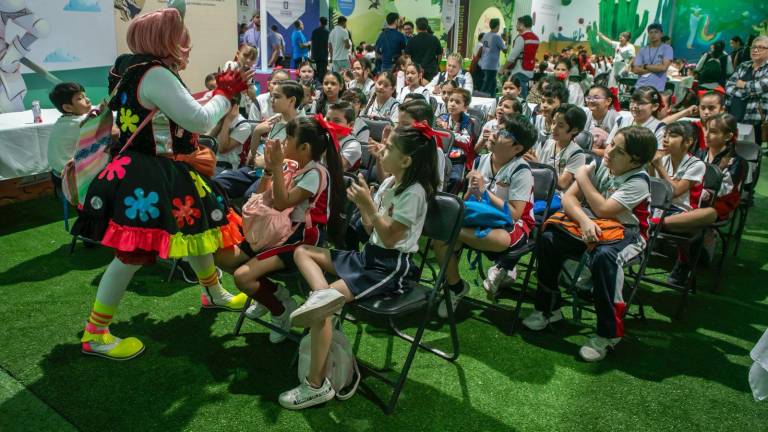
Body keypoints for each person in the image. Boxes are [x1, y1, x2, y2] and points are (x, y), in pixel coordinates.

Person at [72, 8, 251, 360]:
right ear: (166, 39)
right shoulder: (155, 73)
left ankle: (212, 292)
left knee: (199, 229)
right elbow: (196, 119)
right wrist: (225, 95)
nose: (187, 42)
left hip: (147, 169)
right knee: (131, 254)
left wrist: (212, 95)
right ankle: (95, 332)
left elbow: (166, 109)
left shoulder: (127, 65)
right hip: (152, 175)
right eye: (181, 34)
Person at [281, 121, 439, 409]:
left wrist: (368, 206)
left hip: (390, 267)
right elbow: (370, 230)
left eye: (389, 148)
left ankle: (315, 386)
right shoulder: (391, 183)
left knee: (320, 315)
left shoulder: (415, 192)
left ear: (406, 160)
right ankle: (322, 296)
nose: (381, 150)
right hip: (369, 257)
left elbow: (391, 239)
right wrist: (368, 209)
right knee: (303, 251)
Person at [523, 126, 657, 362]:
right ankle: (548, 308)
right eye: (612, 143)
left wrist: (582, 177)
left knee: (606, 258)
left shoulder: (639, 180)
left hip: (627, 234)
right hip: (592, 223)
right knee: (548, 238)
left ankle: (607, 334)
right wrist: (584, 221)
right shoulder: (601, 164)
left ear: (635, 160)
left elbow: (605, 209)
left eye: (619, 150)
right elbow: (568, 198)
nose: (609, 150)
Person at [217, 116, 346, 345]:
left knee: (243, 277)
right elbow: (260, 194)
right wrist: (269, 170)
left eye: (287, 139)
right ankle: (272, 296)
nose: (283, 143)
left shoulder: (315, 174)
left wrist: (277, 166)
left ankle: (279, 309)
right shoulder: (293, 166)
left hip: (300, 240)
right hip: (276, 230)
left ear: (304, 148)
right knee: (222, 257)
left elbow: (281, 203)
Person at [433, 115, 538, 312]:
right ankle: (456, 287)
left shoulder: (521, 171)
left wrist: (485, 192)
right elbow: (469, 200)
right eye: (497, 127)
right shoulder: (481, 160)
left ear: (517, 148)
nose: (494, 132)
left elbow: (514, 214)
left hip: (512, 226)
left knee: (498, 240)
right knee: (441, 241)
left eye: (504, 132)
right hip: (482, 219)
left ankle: (456, 235)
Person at [660, 114, 746, 284]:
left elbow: (725, 190)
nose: (706, 135)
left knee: (705, 213)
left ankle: (660, 226)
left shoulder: (737, 161)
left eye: (713, 132)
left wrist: (700, 190)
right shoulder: (699, 153)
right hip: (692, 199)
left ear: (728, 136)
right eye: (706, 129)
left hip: (717, 204)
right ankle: (686, 249)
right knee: (685, 209)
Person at [215, 80, 303, 199]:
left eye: (276, 97)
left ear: (292, 100)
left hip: (278, 175)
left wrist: (268, 162)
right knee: (218, 183)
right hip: (257, 170)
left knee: (250, 196)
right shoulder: (276, 119)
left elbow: (297, 162)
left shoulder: (302, 126)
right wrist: (256, 132)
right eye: (271, 96)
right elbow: (253, 156)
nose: (271, 100)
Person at [528, 103, 588, 192]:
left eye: (560, 126)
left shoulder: (577, 154)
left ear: (574, 130)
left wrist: (538, 166)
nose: (554, 128)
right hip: (538, 191)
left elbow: (562, 184)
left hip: (559, 199)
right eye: (553, 122)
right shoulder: (544, 144)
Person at [726, 35, 768, 147]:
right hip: (735, 116)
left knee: (751, 155)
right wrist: (748, 92)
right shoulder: (743, 65)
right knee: (732, 151)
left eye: (761, 47)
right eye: (753, 47)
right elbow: (729, 86)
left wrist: (742, 84)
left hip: (756, 120)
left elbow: (761, 86)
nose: (755, 50)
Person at [47, 82, 93, 179]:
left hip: (56, 173)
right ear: (68, 107)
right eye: (80, 98)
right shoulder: (80, 123)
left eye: (85, 96)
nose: (88, 100)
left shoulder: (60, 121)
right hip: (71, 176)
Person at [437, 88, 474, 192]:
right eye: (451, 100)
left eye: (457, 102)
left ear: (465, 107)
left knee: (456, 179)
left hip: (457, 159)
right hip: (440, 155)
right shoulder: (441, 118)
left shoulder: (468, 122)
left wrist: (448, 131)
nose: (452, 104)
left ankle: (449, 202)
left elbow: (466, 142)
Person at [209, 101, 253, 173]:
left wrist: (227, 121)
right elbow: (208, 142)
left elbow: (222, 149)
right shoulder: (219, 117)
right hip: (210, 159)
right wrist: (220, 123)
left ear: (234, 107)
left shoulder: (244, 125)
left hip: (225, 165)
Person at [502, 15, 539, 99]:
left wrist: (503, 68)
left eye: (518, 23)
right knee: (523, 91)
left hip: (519, 70)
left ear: (522, 25)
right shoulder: (536, 38)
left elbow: (512, 57)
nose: (516, 26)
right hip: (529, 70)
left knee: (518, 95)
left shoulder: (522, 38)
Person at [631, 23, 673, 92]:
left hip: (656, 89)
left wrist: (645, 66)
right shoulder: (643, 50)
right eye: (650, 32)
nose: (653, 34)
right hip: (639, 87)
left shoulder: (667, 48)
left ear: (661, 34)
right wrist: (656, 69)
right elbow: (635, 69)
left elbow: (663, 68)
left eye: (656, 32)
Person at [326, 101, 361, 171]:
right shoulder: (325, 136)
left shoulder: (353, 145)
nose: (330, 124)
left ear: (350, 125)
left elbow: (336, 168)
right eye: (328, 120)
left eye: (336, 121)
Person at [585, 85, 619, 155]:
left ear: (608, 101)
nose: (591, 101)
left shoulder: (617, 119)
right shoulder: (584, 115)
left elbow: (616, 149)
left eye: (596, 98)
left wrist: (589, 151)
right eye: (588, 97)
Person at [478, 18, 506, 96]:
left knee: (493, 85)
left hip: (484, 63)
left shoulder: (485, 35)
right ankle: (479, 98)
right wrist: (506, 40)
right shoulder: (497, 37)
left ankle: (492, 99)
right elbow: (505, 50)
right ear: (497, 26)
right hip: (492, 65)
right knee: (486, 86)